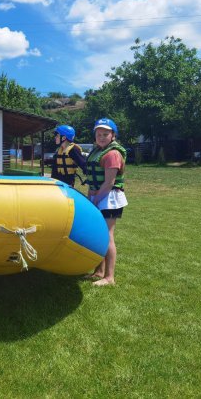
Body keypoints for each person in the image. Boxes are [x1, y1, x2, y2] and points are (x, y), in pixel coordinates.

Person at [84, 118, 128, 286]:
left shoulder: (113, 154)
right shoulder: (98, 151)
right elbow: (93, 181)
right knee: (98, 234)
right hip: (98, 197)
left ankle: (109, 277)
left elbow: (109, 183)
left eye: (105, 134)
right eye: (98, 134)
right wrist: (91, 199)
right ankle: (99, 272)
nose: (101, 137)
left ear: (113, 136)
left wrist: (95, 201)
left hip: (109, 199)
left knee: (107, 236)